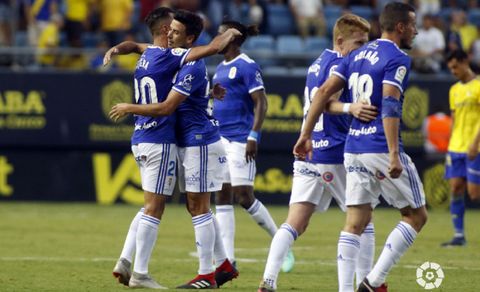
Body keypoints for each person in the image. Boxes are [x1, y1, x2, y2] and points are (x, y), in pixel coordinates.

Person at [293, 2, 428, 291]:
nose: (416, 31)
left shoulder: (355, 56)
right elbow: (390, 104)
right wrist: (394, 154)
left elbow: (322, 95)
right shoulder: (398, 58)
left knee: (355, 221)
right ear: (401, 27)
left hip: (352, 148)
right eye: (414, 26)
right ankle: (373, 282)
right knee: (416, 215)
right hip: (379, 145)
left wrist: (305, 133)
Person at [104, 7, 241, 289]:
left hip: (199, 140)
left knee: (194, 206)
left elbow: (170, 105)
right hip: (179, 140)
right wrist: (207, 91)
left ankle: (206, 275)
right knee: (187, 207)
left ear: (188, 38)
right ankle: (222, 265)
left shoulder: (179, 59)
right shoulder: (171, 56)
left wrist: (233, 31)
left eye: (176, 32)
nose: (170, 35)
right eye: (169, 30)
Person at [258, 13, 377, 292]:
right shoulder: (342, 64)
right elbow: (326, 102)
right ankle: (365, 283)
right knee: (363, 219)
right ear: (340, 41)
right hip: (334, 152)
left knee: (295, 222)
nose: (363, 48)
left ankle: (268, 280)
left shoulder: (316, 63)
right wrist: (352, 108)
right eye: (359, 42)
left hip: (310, 152)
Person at [211, 19, 294, 273]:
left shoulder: (247, 66)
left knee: (244, 197)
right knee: (222, 196)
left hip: (240, 139)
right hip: (220, 139)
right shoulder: (218, 69)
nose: (216, 39)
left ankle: (282, 244)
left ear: (232, 38)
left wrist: (253, 137)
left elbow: (261, 103)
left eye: (220, 35)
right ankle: (228, 260)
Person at [442, 49, 480, 247]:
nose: (453, 71)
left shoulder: (478, 85)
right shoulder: (454, 90)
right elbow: (455, 120)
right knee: (456, 188)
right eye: (450, 68)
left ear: (466, 61)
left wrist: (475, 143)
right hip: (456, 147)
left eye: (456, 66)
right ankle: (459, 235)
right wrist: (449, 143)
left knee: (474, 193)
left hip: (476, 147)